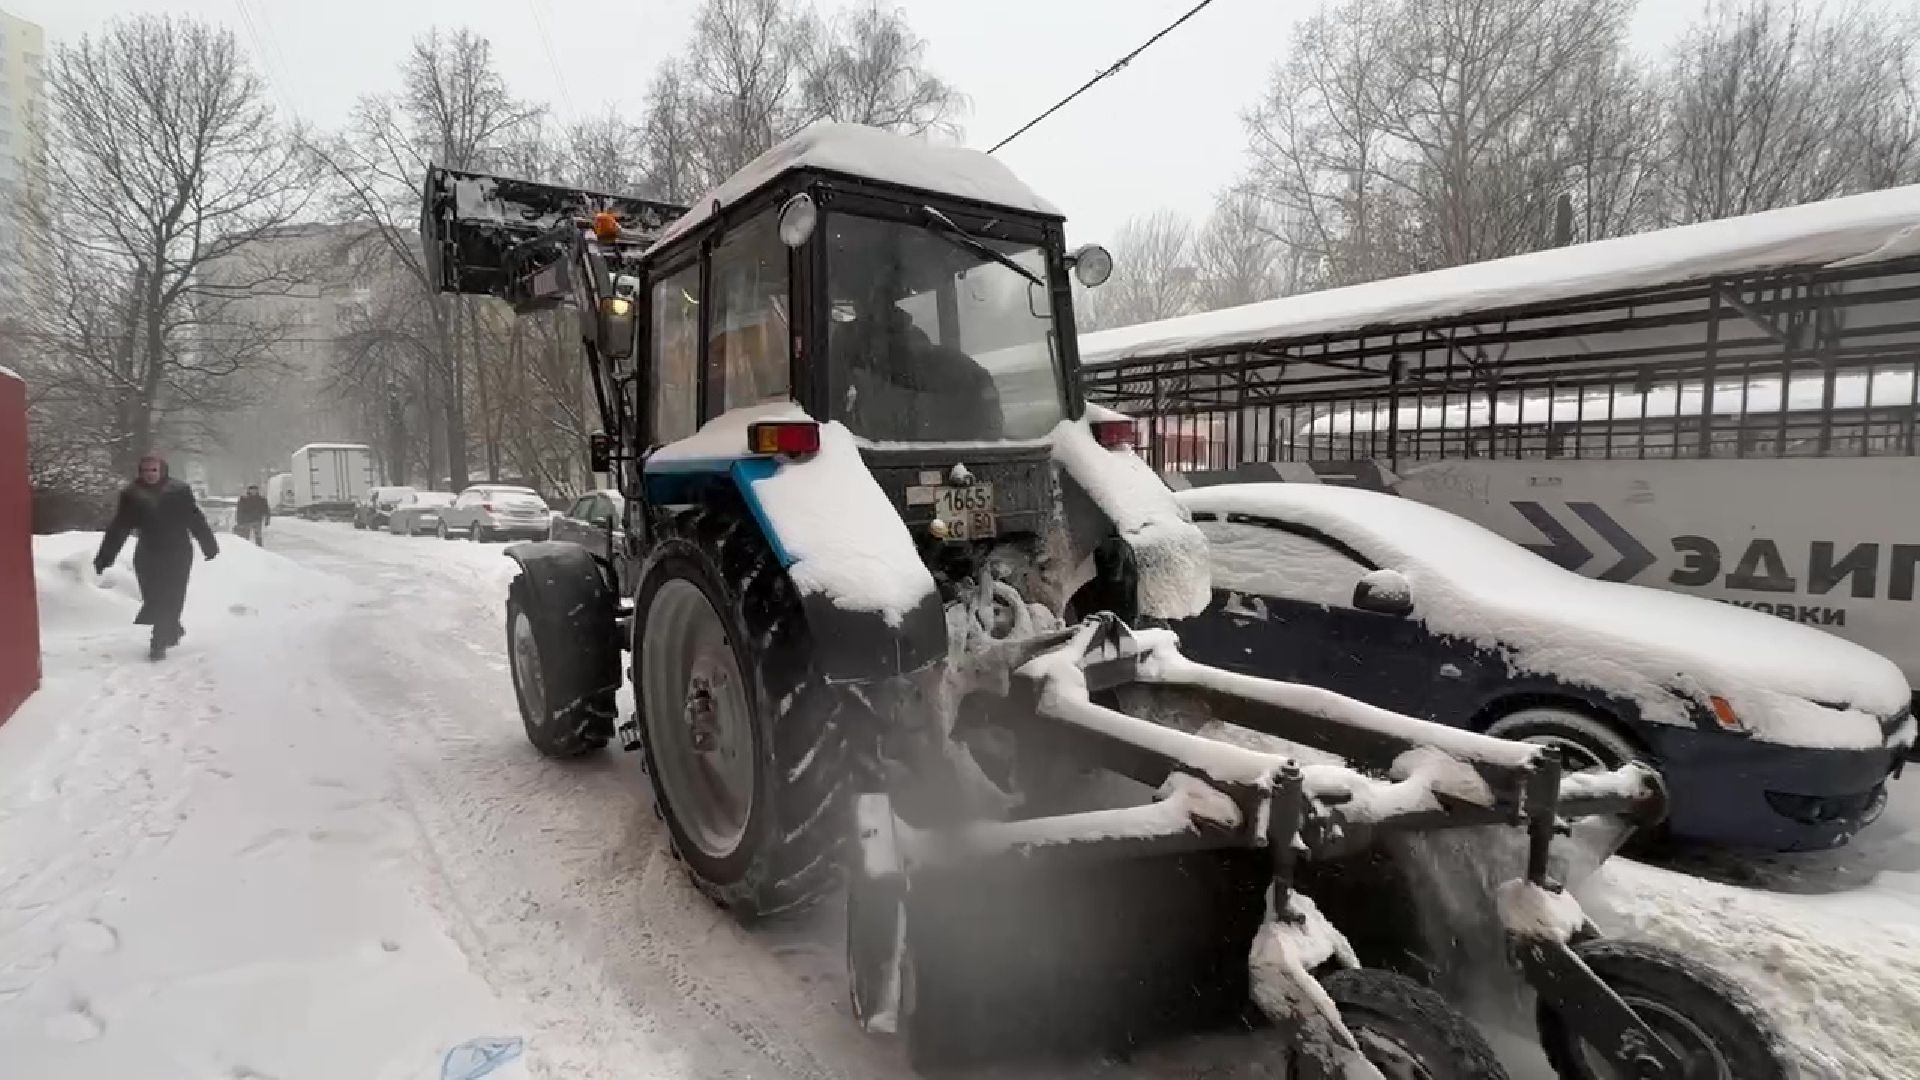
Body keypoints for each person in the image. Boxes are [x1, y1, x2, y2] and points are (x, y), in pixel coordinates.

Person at [93, 453, 220, 660]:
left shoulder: (179, 491)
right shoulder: (132, 494)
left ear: (162, 470)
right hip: (148, 551)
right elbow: (120, 526)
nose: (149, 474)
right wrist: (105, 557)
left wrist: (208, 545)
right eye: (145, 471)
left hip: (177, 551)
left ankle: (158, 640)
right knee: (153, 596)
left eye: (153, 470)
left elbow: (194, 518)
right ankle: (171, 627)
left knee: (172, 595)